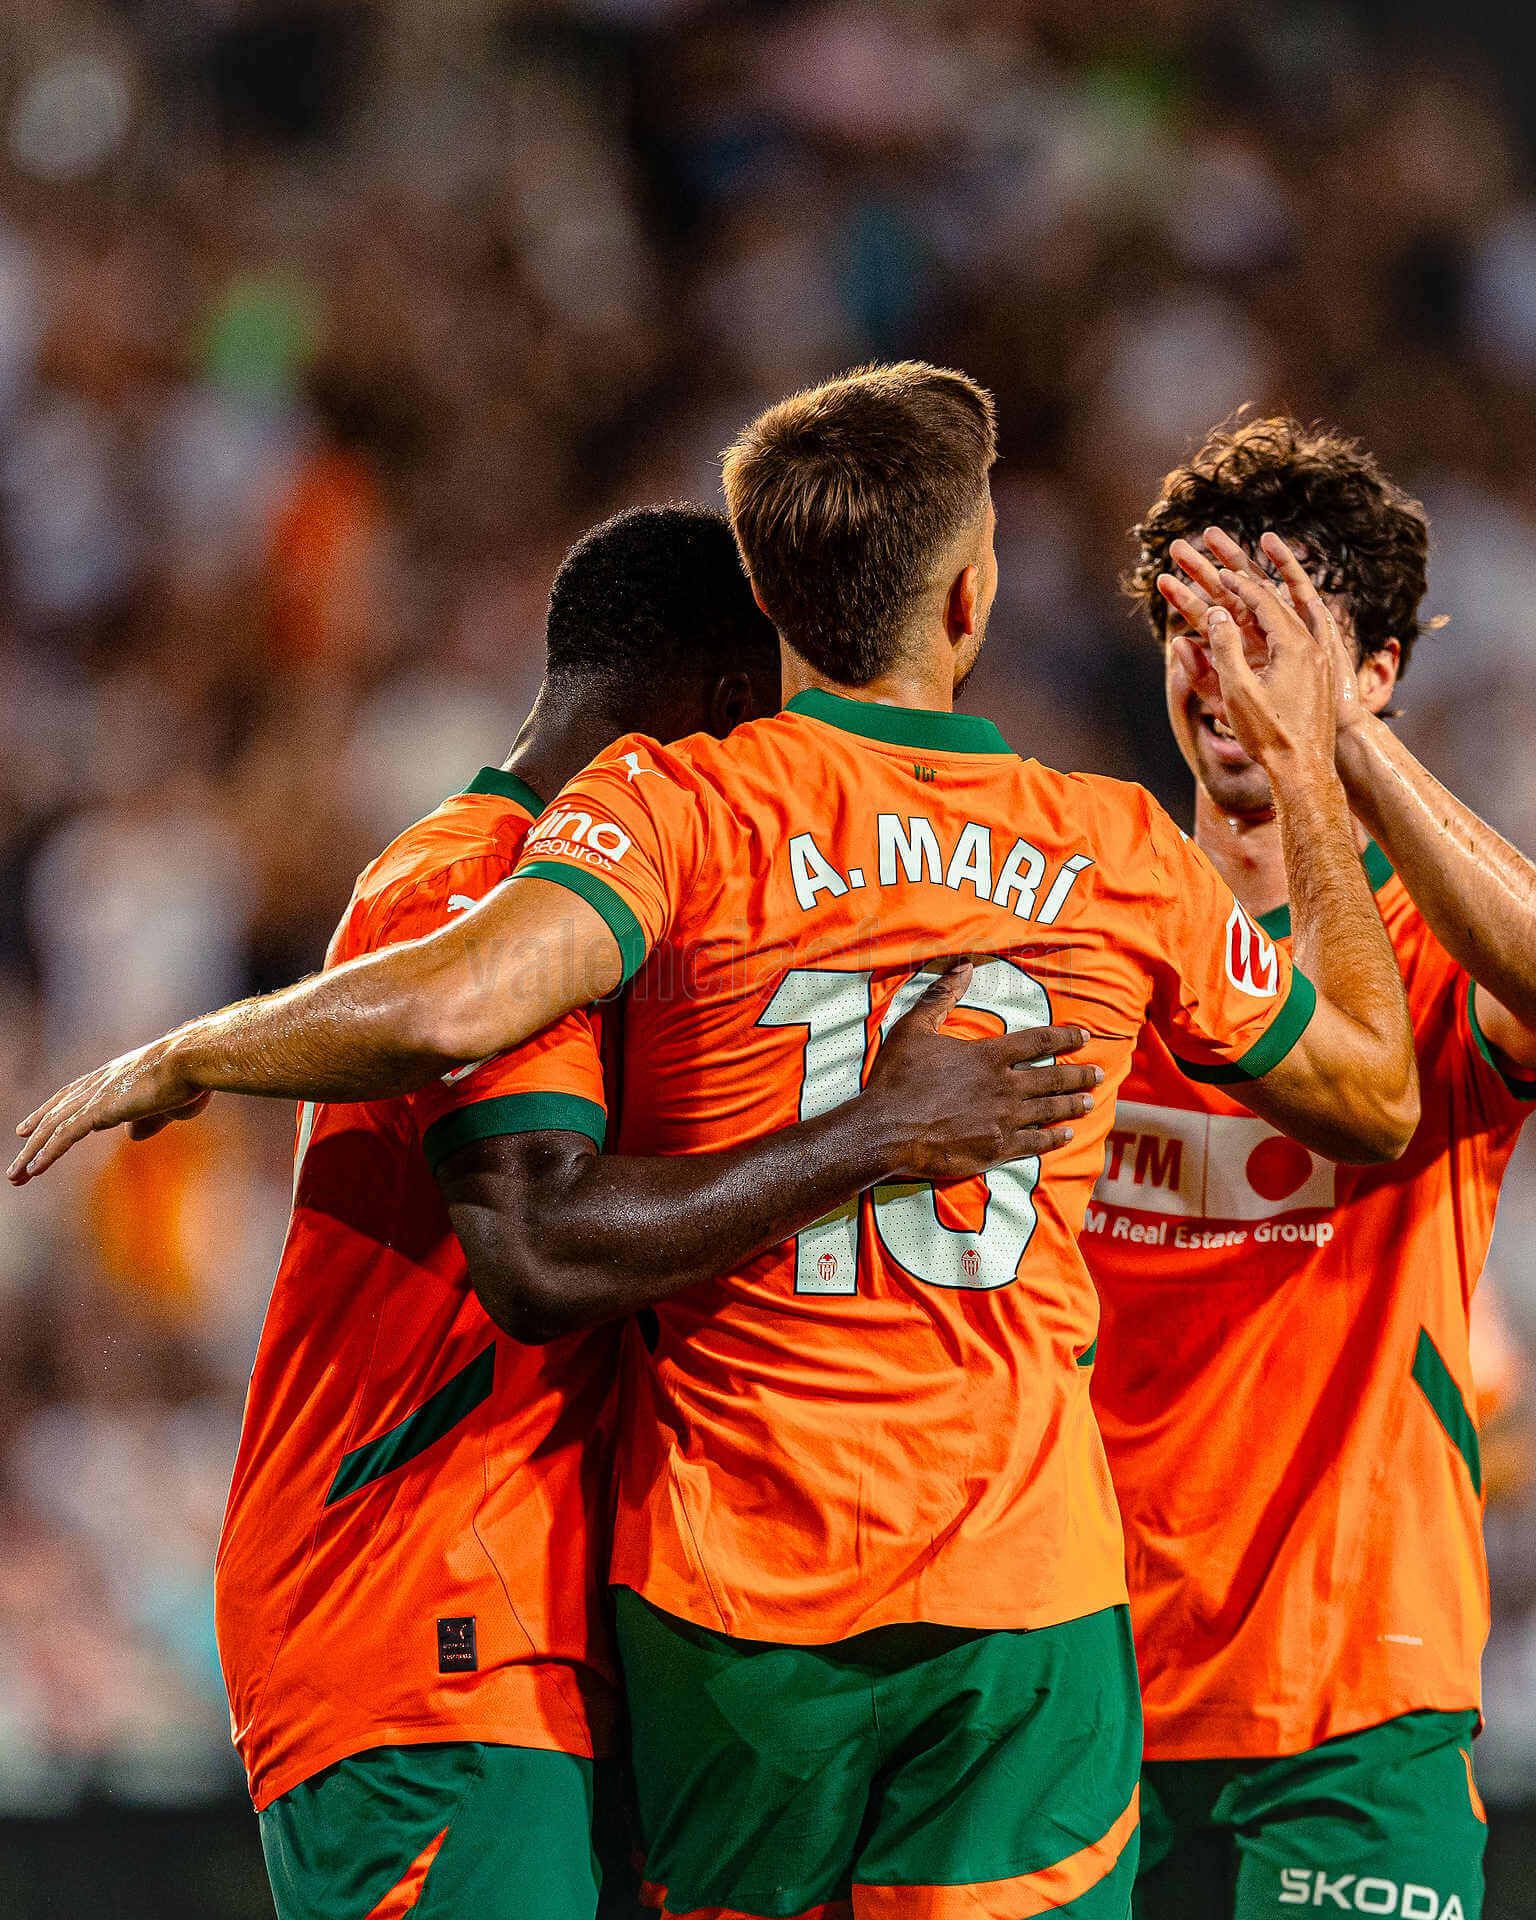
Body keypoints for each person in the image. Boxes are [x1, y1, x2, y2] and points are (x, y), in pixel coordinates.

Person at [12, 365, 1421, 1919]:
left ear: (772, 599)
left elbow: (471, 995)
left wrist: (194, 1046)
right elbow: (1375, 1088)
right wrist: (1310, 765)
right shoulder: (1109, 844)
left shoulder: (668, 812)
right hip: (988, 1581)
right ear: (971, 600)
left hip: (722, 1582)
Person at [169, 505, 1104, 1920]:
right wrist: (876, 1132)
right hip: (421, 1601)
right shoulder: (483, 888)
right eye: (777, 723)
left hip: (520, 1606)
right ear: (724, 708)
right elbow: (539, 1250)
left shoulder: (566, 902)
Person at [1086, 418, 1536, 1920]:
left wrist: (1332, 737)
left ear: (1382, 671)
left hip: (1356, 1701)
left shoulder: (1434, 946)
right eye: (1201, 634)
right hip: (1077, 1686)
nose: (1232, 684)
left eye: (1282, 641)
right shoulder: (1089, 936)